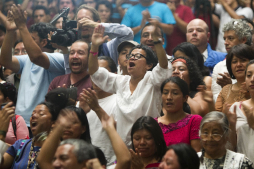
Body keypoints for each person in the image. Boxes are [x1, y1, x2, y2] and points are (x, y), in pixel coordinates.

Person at [88, 24, 171, 148]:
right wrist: (94, 47)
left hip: (149, 145)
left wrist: (158, 43)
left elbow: (163, 66)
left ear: (149, 65)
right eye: (130, 56)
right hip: (123, 147)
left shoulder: (153, 79)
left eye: (138, 56)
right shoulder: (120, 81)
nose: (132, 58)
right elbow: (95, 72)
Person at [0, 6, 65, 126]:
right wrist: (10, 31)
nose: (25, 41)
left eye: (32, 38)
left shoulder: (59, 59)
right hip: (19, 123)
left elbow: (37, 57)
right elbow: (5, 61)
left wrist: (22, 26)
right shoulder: (27, 60)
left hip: (42, 123)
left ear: (44, 42)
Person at [37, 103, 131, 169]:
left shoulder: (93, 154)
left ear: (85, 164)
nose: (56, 164)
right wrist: (60, 126)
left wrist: (110, 129)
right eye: (54, 159)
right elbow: (42, 160)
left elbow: (124, 160)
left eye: (64, 158)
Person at [66, 4, 133, 69]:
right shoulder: (72, 50)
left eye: (86, 20)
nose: (82, 23)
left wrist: (98, 25)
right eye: (79, 20)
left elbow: (128, 33)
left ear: (97, 22)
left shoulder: (109, 47)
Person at [79, 56, 117, 165]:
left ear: (114, 74)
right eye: (93, 73)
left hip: (111, 164)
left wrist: (96, 108)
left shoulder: (120, 101)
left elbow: (120, 131)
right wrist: (81, 111)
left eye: (101, 73)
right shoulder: (83, 102)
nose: (96, 77)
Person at [0, 101, 59, 169]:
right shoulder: (20, 145)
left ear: (53, 123)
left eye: (41, 113)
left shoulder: (58, 150)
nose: (34, 116)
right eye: (32, 114)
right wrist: (2, 134)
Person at [156, 77, 202, 151]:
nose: (169, 97)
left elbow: (196, 154)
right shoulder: (155, 124)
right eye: (165, 93)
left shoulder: (194, 121)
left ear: (185, 98)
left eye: (175, 93)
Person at [212, 19, 252, 102]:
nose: (225, 43)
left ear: (243, 40)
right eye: (224, 39)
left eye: (230, 38)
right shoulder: (219, 67)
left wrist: (230, 87)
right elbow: (215, 99)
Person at [215, 44, 254, 113]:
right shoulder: (225, 90)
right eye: (234, 62)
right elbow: (217, 117)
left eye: (243, 60)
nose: (238, 65)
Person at [229, 59, 254, 162]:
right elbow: (231, 148)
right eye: (248, 75)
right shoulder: (235, 108)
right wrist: (231, 125)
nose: (252, 79)